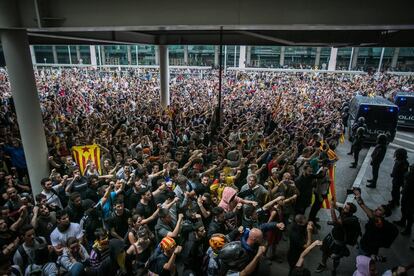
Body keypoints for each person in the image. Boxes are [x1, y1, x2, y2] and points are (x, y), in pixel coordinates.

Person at [315, 201, 361, 275]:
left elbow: (336, 221)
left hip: (338, 243)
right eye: (345, 206)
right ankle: (323, 264)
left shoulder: (350, 220)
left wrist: (332, 208)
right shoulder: (344, 211)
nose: (343, 208)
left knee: (335, 258)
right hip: (331, 237)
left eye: (346, 208)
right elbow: (337, 206)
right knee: (324, 251)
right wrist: (334, 203)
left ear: (350, 212)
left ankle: (334, 269)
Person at [394, 163, 414, 236]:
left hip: (411, 197)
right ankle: (402, 221)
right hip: (406, 194)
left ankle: (408, 229)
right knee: (403, 208)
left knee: (409, 214)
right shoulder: (410, 174)